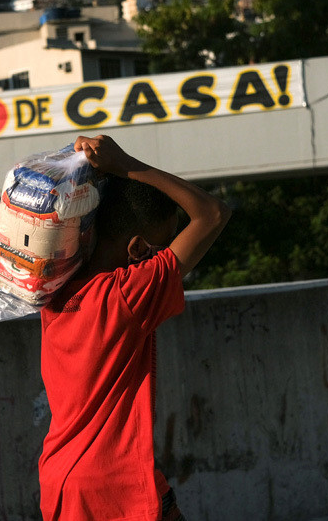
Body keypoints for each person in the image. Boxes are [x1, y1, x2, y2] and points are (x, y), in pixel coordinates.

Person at [38, 135, 232, 521]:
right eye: (163, 246)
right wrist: (124, 163)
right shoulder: (125, 296)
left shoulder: (55, 292)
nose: (166, 255)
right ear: (139, 249)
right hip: (114, 485)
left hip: (61, 481)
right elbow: (211, 214)